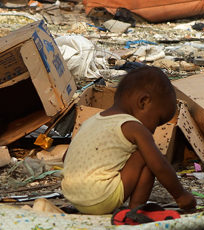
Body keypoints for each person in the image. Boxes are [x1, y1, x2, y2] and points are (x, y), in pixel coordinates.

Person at [60, 66, 196, 215]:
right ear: (144, 102)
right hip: (101, 198)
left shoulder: (90, 122)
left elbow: (66, 157)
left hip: (73, 196)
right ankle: (135, 210)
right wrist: (181, 195)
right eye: (157, 121)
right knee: (148, 156)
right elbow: (159, 165)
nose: (154, 130)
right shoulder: (133, 127)